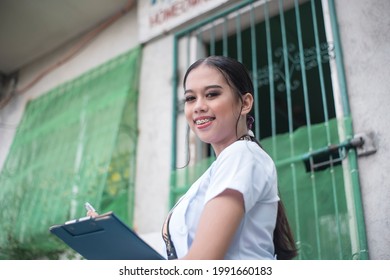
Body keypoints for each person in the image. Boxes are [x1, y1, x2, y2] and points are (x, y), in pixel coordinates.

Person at [161, 55, 297, 260]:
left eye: (212, 94)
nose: (198, 106)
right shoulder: (224, 165)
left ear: (245, 103)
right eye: (190, 98)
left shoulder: (241, 155)